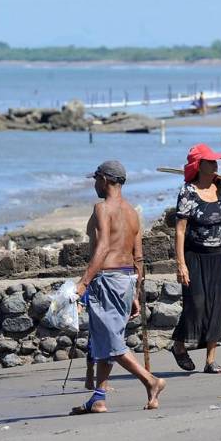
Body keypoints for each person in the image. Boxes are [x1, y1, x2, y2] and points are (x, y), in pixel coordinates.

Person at [70, 160, 166, 415]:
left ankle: (151, 381)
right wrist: (134, 292)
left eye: (96, 179)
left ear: (105, 180)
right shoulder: (133, 212)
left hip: (107, 279)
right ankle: (99, 398)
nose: (94, 184)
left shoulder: (102, 208)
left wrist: (83, 282)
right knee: (104, 340)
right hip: (126, 280)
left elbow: (102, 247)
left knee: (112, 342)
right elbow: (139, 257)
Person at [171, 144, 221, 374]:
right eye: (210, 161)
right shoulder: (187, 192)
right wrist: (181, 264)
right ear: (199, 165)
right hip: (194, 256)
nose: (216, 164)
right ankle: (178, 345)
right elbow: (180, 230)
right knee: (196, 304)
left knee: (217, 305)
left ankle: (210, 360)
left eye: (215, 161)